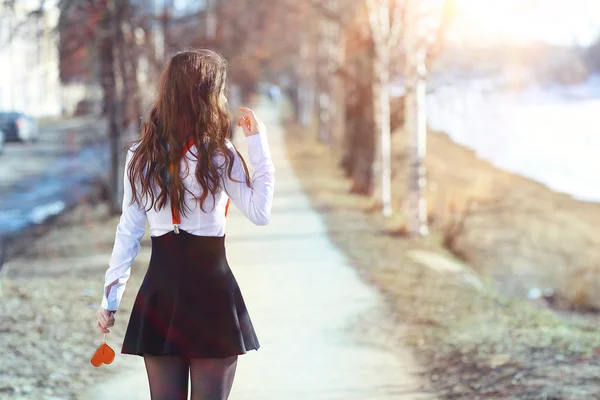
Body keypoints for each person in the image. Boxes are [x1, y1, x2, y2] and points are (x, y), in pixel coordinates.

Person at [95, 49, 275, 400]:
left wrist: (110, 300)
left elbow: (128, 232)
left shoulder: (139, 156)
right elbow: (260, 212)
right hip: (213, 297)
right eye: (219, 90)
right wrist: (258, 144)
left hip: (161, 295)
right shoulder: (221, 155)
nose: (223, 98)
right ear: (205, 96)